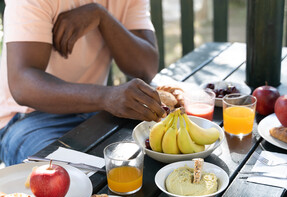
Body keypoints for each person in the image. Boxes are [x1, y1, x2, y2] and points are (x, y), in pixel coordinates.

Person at [0, 0, 165, 166]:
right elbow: (22, 84)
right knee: (64, 179)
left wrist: (101, 16)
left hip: (94, 112)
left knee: (152, 160)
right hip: (27, 117)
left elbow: (146, 68)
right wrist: (106, 97)